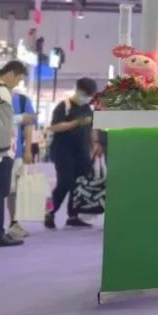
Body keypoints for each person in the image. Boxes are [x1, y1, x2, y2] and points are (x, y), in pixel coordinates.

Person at [45, 77, 98, 231]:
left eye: (90, 95)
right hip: (63, 152)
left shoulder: (88, 108)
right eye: (85, 94)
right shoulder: (64, 106)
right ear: (77, 90)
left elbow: (92, 128)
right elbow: (54, 127)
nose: (87, 97)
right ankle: (49, 211)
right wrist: (75, 123)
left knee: (79, 185)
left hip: (82, 152)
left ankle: (73, 216)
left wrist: (94, 145)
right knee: (64, 183)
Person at [0, 61, 29, 248]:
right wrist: (19, 118)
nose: (18, 83)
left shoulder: (2, 90)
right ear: (12, 73)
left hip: (2, 149)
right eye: (19, 79)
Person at [6, 81, 37, 239]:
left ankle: (14, 223)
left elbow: (29, 126)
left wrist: (28, 150)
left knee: (13, 191)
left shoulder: (23, 100)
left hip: (15, 153)